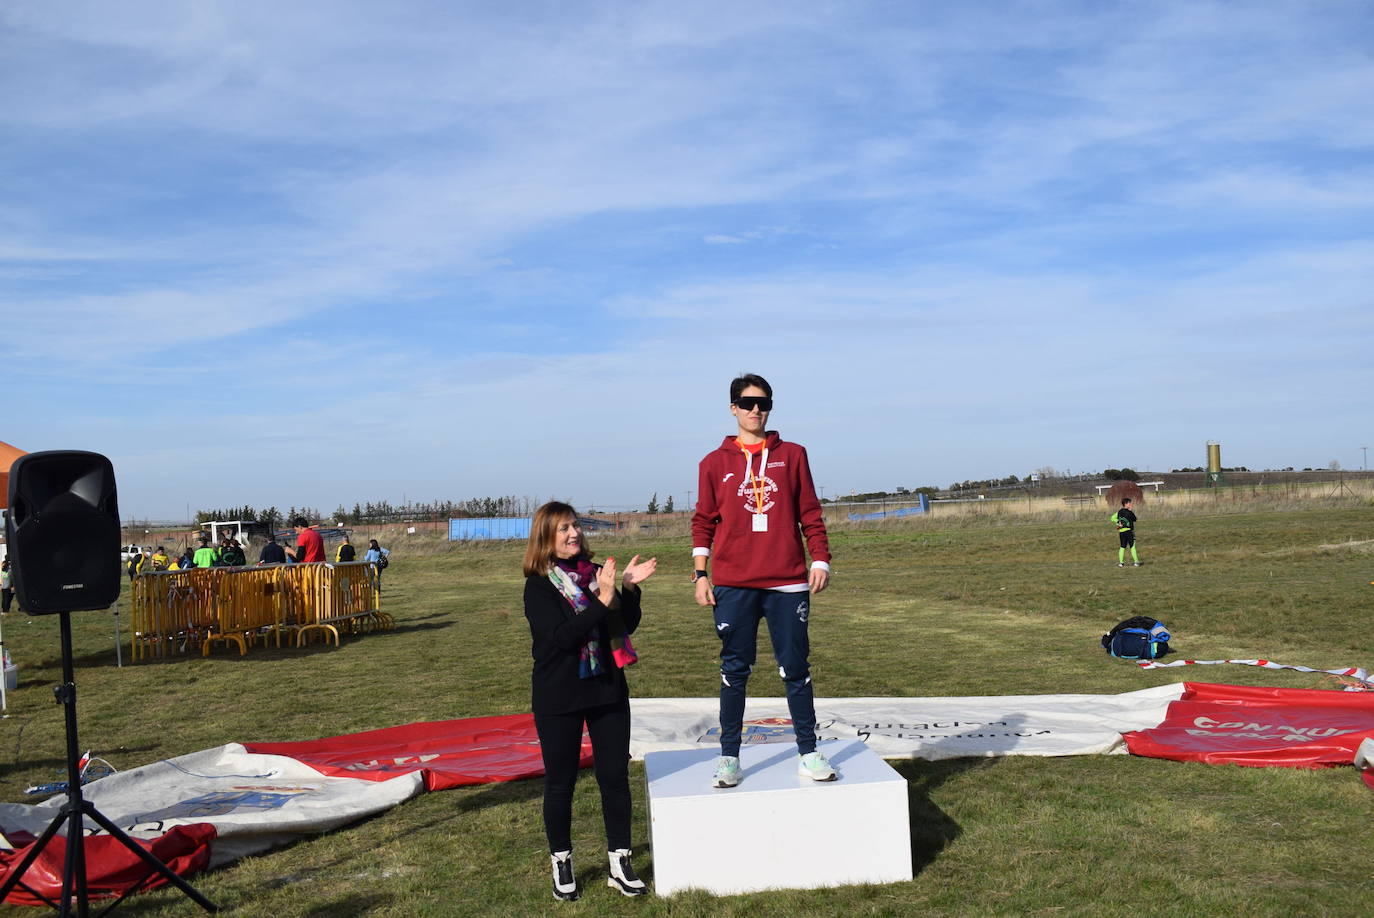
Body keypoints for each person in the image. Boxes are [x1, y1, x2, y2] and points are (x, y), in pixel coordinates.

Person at [691, 372, 835, 788]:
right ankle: (729, 758)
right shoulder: (713, 463)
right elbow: (703, 521)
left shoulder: (793, 455)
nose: (757, 410)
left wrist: (820, 559)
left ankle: (807, 752)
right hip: (734, 583)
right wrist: (701, 573)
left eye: (764, 403)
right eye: (748, 402)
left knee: (795, 668)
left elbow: (810, 512)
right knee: (735, 670)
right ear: (733, 407)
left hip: (787, 581)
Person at [522, 501, 656, 900]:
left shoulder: (598, 575)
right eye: (563, 529)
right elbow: (562, 638)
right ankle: (562, 862)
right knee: (560, 783)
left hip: (607, 689)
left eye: (576, 526)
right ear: (546, 537)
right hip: (558, 695)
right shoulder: (539, 586)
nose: (573, 534)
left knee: (614, 778)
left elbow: (623, 624)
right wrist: (602, 598)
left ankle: (620, 861)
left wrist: (627, 590)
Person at [1112, 497, 1141, 567]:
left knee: (1122, 547)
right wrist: (1131, 511)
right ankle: (1136, 562)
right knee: (1132, 546)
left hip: (1121, 532)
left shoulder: (1119, 512)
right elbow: (1135, 519)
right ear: (1126, 504)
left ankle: (1121, 563)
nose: (1131, 504)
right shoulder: (1129, 512)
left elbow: (1112, 518)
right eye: (1129, 503)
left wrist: (1118, 522)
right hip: (1129, 531)